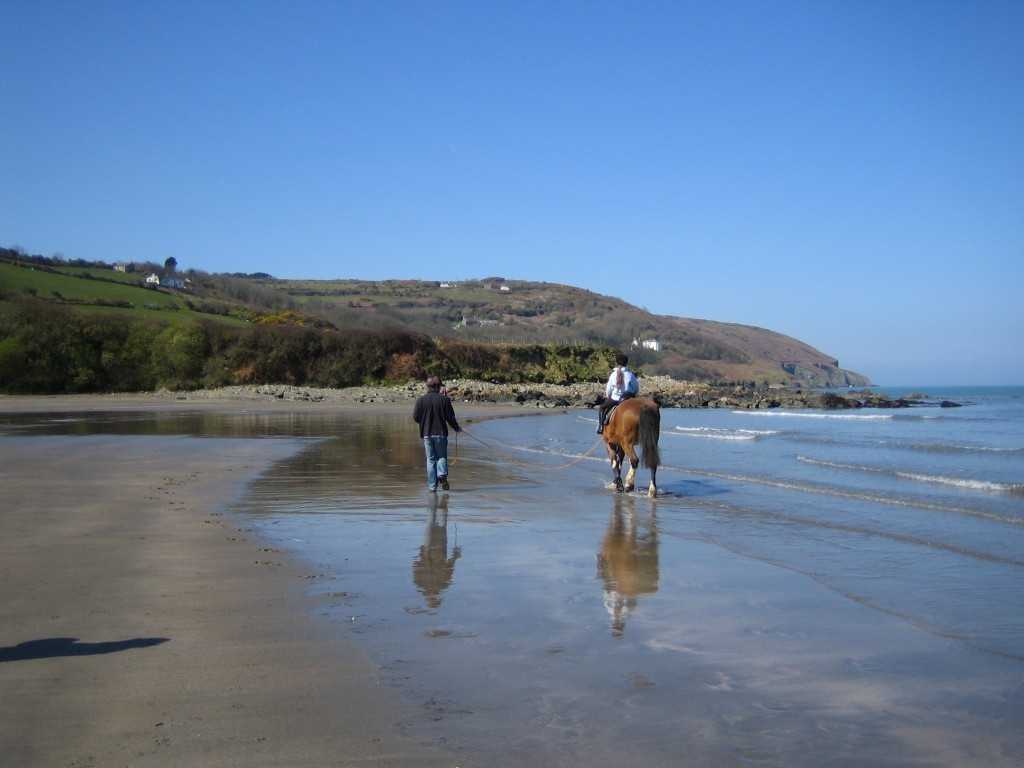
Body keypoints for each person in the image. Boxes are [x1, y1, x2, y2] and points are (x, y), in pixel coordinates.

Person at [413, 375, 463, 492]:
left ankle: (432, 487)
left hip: (427, 434)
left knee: (430, 460)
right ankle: (442, 475)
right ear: (437, 386)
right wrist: (457, 428)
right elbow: (450, 418)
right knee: (441, 457)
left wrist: (424, 420)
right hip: (441, 433)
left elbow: (416, 417)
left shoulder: (421, 400)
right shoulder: (444, 400)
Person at [596, 352, 638, 434]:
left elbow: (609, 390)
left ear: (616, 362)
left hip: (616, 398)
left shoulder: (613, 374)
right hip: (629, 398)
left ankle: (601, 427)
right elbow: (636, 388)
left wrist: (609, 396)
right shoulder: (630, 374)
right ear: (626, 363)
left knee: (601, 408)